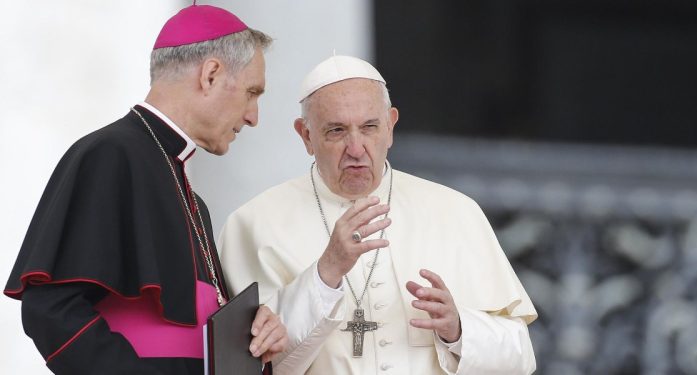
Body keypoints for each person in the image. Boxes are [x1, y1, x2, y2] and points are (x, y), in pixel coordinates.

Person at [4, 5, 287, 374]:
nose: (254, 116)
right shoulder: (109, 155)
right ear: (211, 74)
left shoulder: (191, 199)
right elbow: (52, 309)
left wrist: (253, 335)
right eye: (252, 92)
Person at [219, 55, 537, 374]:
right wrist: (327, 271)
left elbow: (520, 356)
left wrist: (458, 330)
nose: (356, 148)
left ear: (390, 127)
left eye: (369, 127)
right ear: (306, 136)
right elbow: (248, 365)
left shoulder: (456, 212)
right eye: (336, 131)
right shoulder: (253, 225)